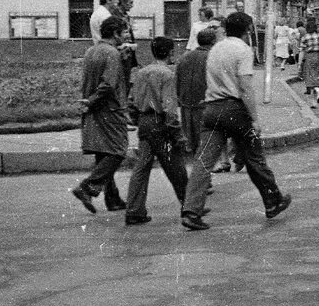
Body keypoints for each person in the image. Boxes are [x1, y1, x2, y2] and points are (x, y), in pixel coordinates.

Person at [180, 12, 292, 231]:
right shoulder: (243, 50)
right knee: (255, 159)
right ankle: (273, 201)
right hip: (234, 109)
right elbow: (245, 87)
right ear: (248, 30)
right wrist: (254, 119)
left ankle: (191, 211)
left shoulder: (215, 48)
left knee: (203, 162)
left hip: (211, 109)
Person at [124, 36, 189, 225]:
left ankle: (134, 210)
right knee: (176, 167)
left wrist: (138, 120)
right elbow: (169, 108)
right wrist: (178, 134)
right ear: (170, 53)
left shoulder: (142, 72)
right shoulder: (167, 75)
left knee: (141, 168)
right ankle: (190, 206)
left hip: (145, 123)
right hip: (160, 125)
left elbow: (131, 102)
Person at [70, 16, 130, 214]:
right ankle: (87, 187)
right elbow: (108, 84)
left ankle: (113, 199)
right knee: (118, 151)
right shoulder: (112, 53)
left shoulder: (91, 50)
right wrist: (94, 99)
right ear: (115, 33)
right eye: (125, 32)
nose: (127, 35)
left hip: (93, 110)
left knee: (103, 153)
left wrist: (89, 102)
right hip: (109, 109)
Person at [176, 27, 215, 163]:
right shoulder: (211, 57)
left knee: (190, 137)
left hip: (186, 102)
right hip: (205, 102)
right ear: (213, 41)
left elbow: (178, 78)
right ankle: (202, 171)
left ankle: (195, 165)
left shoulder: (185, 57)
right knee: (204, 137)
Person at [298, 17, 319, 106]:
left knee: (310, 78)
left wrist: (299, 63)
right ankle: (314, 102)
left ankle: (318, 91)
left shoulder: (305, 37)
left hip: (310, 57)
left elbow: (302, 51)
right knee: (317, 77)